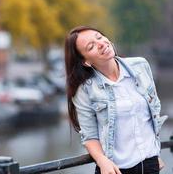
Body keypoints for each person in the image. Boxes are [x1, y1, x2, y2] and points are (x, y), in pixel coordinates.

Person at [64, 26, 168, 174]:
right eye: (91, 46)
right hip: (116, 170)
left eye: (99, 37)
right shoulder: (85, 89)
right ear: (85, 61)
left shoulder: (140, 66)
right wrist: (102, 161)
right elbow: (90, 136)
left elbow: (152, 113)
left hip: (150, 165)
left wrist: (152, 152)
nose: (100, 44)